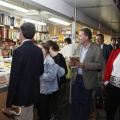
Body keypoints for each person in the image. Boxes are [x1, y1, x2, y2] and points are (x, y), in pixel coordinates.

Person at [4, 22, 44, 120]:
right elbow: (41, 71)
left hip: (21, 96)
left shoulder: (18, 51)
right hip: (33, 94)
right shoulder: (38, 50)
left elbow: (14, 78)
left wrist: (9, 103)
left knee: (21, 117)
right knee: (29, 117)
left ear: (21, 32)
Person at [69, 28, 103, 120]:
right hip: (77, 79)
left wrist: (85, 65)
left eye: (80, 35)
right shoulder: (78, 46)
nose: (78, 37)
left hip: (88, 80)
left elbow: (100, 65)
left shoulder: (96, 48)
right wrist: (71, 63)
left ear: (86, 37)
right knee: (75, 101)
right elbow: (74, 59)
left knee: (85, 102)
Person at [38, 42, 65, 120]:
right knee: (41, 108)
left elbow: (51, 76)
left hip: (46, 88)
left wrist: (38, 75)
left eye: (41, 48)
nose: (38, 50)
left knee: (43, 109)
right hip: (41, 87)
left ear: (46, 50)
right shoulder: (39, 58)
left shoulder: (50, 61)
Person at [46, 40, 67, 120]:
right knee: (51, 102)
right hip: (51, 84)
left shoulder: (60, 56)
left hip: (60, 83)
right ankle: (54, 115)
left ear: (50, 47)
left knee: (58, 102)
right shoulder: (47, 57)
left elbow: (65, 70)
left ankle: (56, 117)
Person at [103, 37, 120, 120]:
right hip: (113, 87)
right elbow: (108, 66)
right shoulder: (115, 51)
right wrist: (106, 81)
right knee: (110, 111)